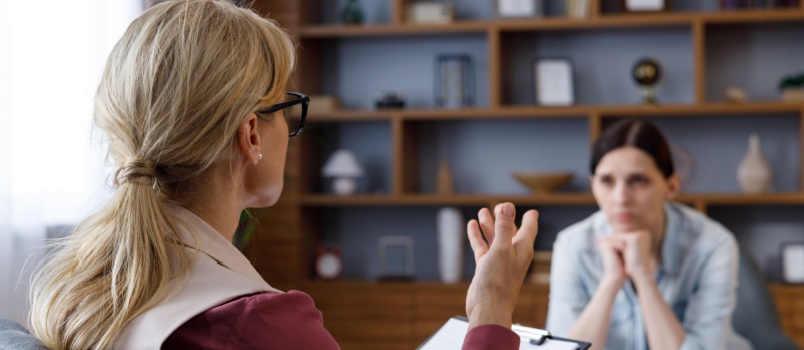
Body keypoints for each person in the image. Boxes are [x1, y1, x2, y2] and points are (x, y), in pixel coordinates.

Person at [27, 1, 539, 349]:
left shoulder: (78, 292)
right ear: (251, 134)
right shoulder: (257, 326)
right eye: (286, 106)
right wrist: (491, 311)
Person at [545, 118, 752, 350]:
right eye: (607, 181)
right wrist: (611, 282)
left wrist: (643, 277)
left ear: (671, 186)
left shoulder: (712, 245)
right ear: (593, 186)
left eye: (638, 181)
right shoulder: (573, 245)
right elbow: (561, 348)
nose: (621, 198)